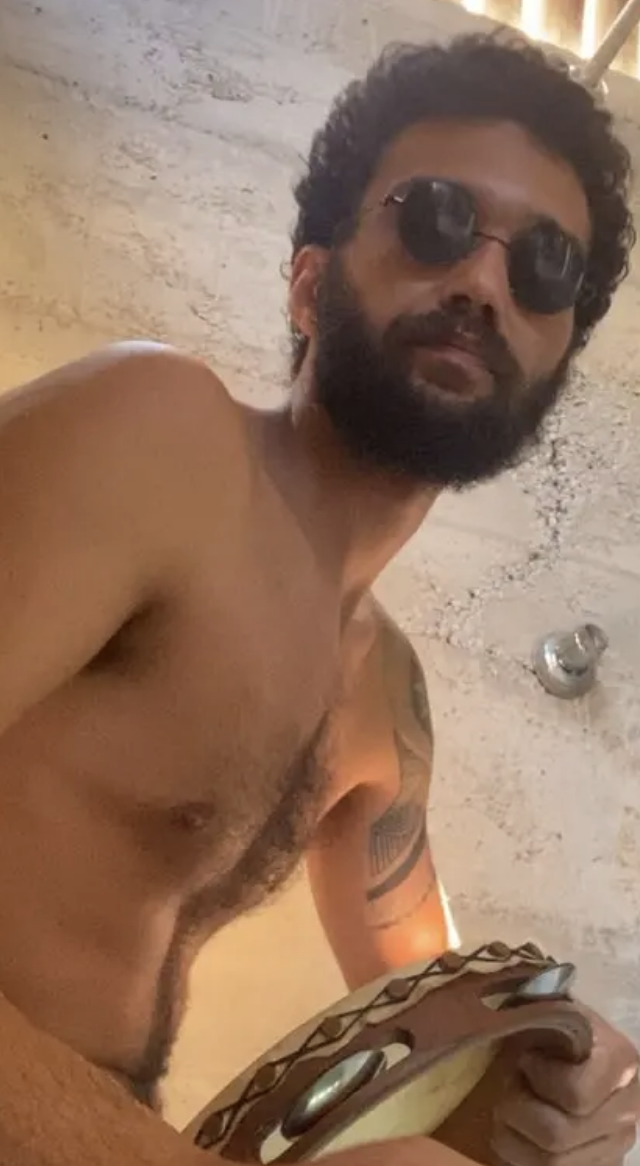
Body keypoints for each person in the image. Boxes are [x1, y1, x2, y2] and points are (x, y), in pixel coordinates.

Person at [0, 30, 637, 1166]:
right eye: (436, 218)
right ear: (307, 281)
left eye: (546, 268)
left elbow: (431, 998)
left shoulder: (383, 694)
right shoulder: (160, 438)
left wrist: (557, 1057)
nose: (483, 282)